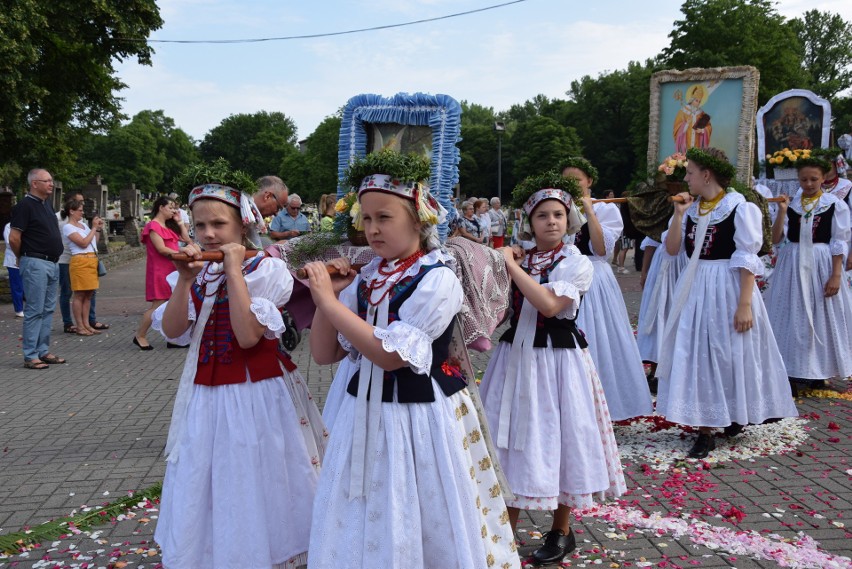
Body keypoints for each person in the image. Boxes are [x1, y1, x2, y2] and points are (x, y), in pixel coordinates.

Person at [303, 154, 519, 569]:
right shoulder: (367, 278)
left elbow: (389, 357)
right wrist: (325, 297)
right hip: (362, 411)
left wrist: (331, 302)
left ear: (419, 220)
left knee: (421, 504)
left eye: (384, 217)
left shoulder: (438, 277)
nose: (372, 229)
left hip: (418, 415)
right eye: (365, 219)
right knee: (364, 504)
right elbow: (324, 353)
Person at [153, 183, 324, 569]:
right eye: (200, 226)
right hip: (207, 396)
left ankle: (266, 552)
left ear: (242, 225)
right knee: (209, 472)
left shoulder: (267, 270)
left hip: (257, 393)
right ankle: (219, 552)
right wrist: (183, 279)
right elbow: (176, 332)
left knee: (256, 471)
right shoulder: (196, 273)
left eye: (219, 224)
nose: (209, 234)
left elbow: (248, 336)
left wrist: (233, 271)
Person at [479, 171, 625, 566]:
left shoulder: (575, 261)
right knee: (507, 438)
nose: (551, 222)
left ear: (569, 218)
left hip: (558, 360)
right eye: (542, 215)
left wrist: (510, 267)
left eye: (558, 214)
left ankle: (561, 529)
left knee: (562, 440)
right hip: (515, 357)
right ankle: (504, 531)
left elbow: (548, 304)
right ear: (530, 221)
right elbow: (495, 309)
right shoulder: (520, 256)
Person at [656, 147, 798, 459]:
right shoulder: (692, 209)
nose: (687, 178)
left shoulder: (739, 207)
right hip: (696, 284)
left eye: (690, 172)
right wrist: (679, 215)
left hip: (728, 286)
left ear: (706, 174)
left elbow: (747, 258)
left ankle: (732, 413)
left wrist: (745, 303)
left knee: (730, 351)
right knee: (700, 352)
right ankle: (706, 427)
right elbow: (672, 249)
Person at [563, 157, 653, 421]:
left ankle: (604, 407)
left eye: (576, 180)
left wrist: (590, 212)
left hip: (594, 278)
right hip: (564, 277)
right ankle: (574, 407)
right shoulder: (559, 207)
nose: (571, 185)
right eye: (566, 180)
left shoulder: (606, 210)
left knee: (597, 338)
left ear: (589, 181)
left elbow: (601, 250)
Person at [765, 157, 852, 393]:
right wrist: (782, 211)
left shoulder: (834, 204)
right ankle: (792, 368)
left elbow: (839, 241)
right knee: (792, 313)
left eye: (814, 179)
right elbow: (775, 239)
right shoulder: (792, 205)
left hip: (821, 262)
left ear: (824, 178)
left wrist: (836, 275)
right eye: (804, 179)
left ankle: (818, 370)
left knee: (821, 313)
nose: (809, 183)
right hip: (792, 262)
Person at [8, 168, 66, 369]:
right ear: (34, 183)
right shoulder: (25, 206)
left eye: (51, 180)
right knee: (34, 309)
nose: (51, 184)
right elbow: (14, 237)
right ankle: (30, 354)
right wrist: (22, 257)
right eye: (47, 180)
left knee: (48, 309)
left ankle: (43, 350)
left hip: (52, 262)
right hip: (35, 262)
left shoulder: (46, 205)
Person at [134, 196, 189, 350]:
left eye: (174, 208)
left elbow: (187, 239)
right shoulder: (153, 226)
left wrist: (179, 222)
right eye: (170, 207)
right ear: (161, 207)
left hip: (172, 269)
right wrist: (181, 253)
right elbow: (161, 249)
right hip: (159, 271)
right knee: (157, 305)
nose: (173, 210)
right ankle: (140, 335)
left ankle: (173, 337)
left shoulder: (168, 226)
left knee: (173, 304)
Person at [58, 192, 107, 333]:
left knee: (89, 294)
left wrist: (97, 228)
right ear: (71, 211)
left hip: (91, 259)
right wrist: (92, 228)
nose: (82, 212)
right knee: (79, 295)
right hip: (80, 260)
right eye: (79, 210)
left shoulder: (83, 226)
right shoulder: (68, 227)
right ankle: (79, 325)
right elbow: (83, 243)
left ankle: (87, 324)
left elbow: (94, 242)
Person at [673, 84, 712, 153]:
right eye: (696, 101)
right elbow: (677, 129)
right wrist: (686, 124)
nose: (698, 103)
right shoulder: (682, 112)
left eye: (699, 101)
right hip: (686, 145)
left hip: (697, 145)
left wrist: (702, 130)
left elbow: (709, 127)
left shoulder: (701, 113)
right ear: (691, 100)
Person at [3, 222, 24, 317]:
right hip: (13, 260)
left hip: (28, 259)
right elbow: (10, 242)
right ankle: (19, 309)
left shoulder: (28, 224)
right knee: (17, 286)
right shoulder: (9, 226)